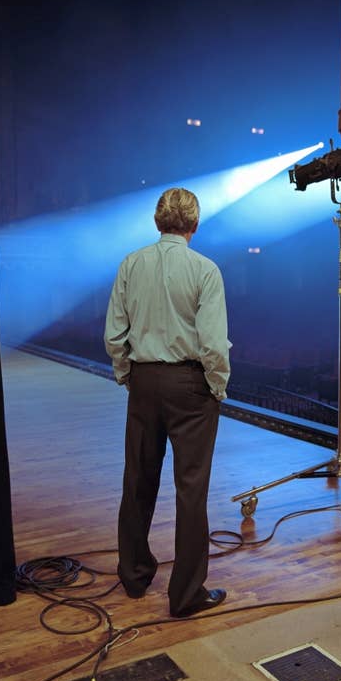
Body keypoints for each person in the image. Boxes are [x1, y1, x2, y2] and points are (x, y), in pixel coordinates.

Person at [104, 187, 230, 618]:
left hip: (143, 381)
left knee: (137, 480)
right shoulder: (206, 270)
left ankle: (135, 575)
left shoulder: (130, 264)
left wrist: (128, 375)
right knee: (190, 490)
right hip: (190, 384)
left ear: (158, 221)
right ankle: (187, 594)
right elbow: (213, 344)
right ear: (195, 224)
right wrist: (217, 386)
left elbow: (113, 335)